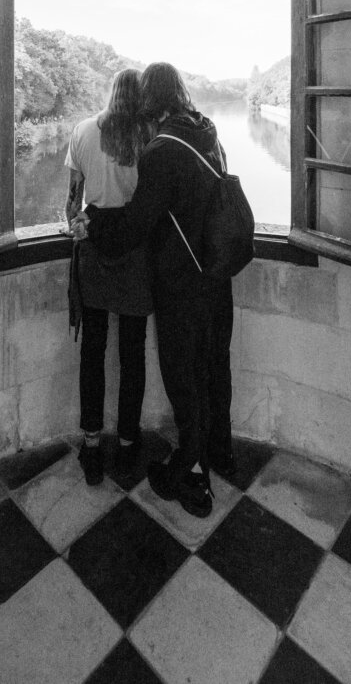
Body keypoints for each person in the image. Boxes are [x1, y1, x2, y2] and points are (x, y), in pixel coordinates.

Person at [71, 62, 234, 518]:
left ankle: (191, 477)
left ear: (151, 100)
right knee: (210, 369)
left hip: (182, 281)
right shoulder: (208, 131)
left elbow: (136, 224)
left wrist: (95, 220)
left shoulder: (162, 149)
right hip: (215, 273)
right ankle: (215, 453)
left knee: (182, 379)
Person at [65, 69, 153, 486]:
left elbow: (71, 205)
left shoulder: (82, 131)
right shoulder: (150, 138)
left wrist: (82, 223)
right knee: (132, 352)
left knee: (93, 351)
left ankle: (92, 443)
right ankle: (131, 442)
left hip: (95, 249)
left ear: (110, 92)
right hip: (136, 252)